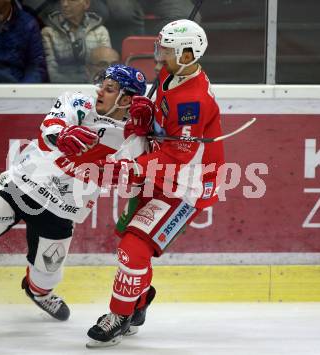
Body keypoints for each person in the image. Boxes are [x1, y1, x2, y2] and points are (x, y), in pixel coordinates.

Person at [0, 64, 149, 329]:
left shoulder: (134, 137)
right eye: (102, 84)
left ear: (126, 99)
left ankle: (39, 291)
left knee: (46, 278)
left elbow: (129, 173)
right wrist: (62, 135)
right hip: (20, 185)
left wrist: (125, 157)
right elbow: (50, 127)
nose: (100, 90)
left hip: (63, 208)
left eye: (110, 89)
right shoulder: (79, 100)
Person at [86, 19, 225, 348]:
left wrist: (131, 165)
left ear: (188, 54)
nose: (159, 55)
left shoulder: (193, 101)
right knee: (131, 242)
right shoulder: (171, 73)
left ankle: (119, 315)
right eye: (160, 47)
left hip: (185, 185)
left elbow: (178, 156)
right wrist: (146, 115)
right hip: (159, 175)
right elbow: (163, 121)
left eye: (167, 50)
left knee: (132, 249)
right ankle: (138, 301)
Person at [41, 0, 111, 83]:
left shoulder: (100, 32)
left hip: (93, 89)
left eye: (72, 0)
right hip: (60, 90)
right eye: (62, 0)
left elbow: (106, 69)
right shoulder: (49, 32)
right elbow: (52, 74)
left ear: (86, 3)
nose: (65, 4)